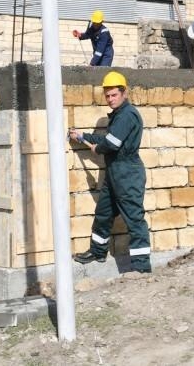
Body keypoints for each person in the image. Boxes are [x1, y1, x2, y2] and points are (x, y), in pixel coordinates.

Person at [69, 71, 152, 273]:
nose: (110, 99)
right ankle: (98, 251)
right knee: (104, 213)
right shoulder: (118, 115)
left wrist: (97, 149)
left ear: (124, 93)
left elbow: (112, 144)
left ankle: (142, 268)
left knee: (134, 218)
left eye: (114, 95)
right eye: (107, 96)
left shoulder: (127, 114)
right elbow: (107, 138)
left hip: (127, 173)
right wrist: (82, 136)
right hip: (115, 173)